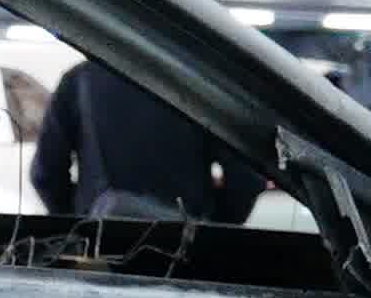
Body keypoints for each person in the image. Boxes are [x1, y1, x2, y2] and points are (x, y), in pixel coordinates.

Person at [28, 56, 269, 223]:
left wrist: (78, 221)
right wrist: (216, 227)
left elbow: (45, 174)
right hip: (184, 250)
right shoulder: (204, 86)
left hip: (101, 249)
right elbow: (246, 178)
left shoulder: (81, 80)